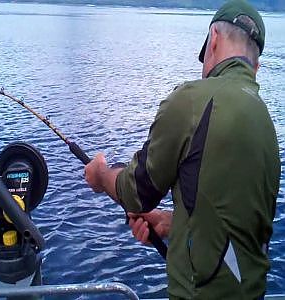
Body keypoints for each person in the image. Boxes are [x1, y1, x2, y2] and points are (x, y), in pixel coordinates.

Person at [84, 0, 281, 299]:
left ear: (213, 39)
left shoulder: (191, 100)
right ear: (255, 66)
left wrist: (100, 175)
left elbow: (135, 191)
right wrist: (173, 224)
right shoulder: (266, 121)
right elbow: (238, 218)